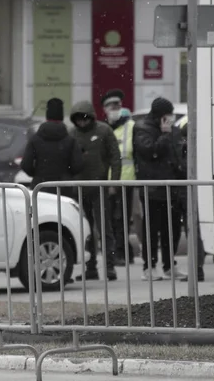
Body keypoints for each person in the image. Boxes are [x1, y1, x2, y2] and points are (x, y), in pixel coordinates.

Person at [132, 97, 187, 281]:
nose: (170, 119)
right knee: (151, 229)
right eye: (167, 115)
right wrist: (164, 134)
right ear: (158, 116)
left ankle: (169, 265)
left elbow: (179, 154)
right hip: (153, 188)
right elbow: (151, 152)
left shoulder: (174, 131)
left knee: (171, 230)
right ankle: (149, 267)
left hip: (172, 188)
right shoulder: (142, 129)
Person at [69, 100, 121, 282]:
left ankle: (109, 266)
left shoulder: (104, 130)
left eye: (85, 118)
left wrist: (113, 182)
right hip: (80, 188)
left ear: (91, 117)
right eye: (78, 119)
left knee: (104, 228)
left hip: (100, 186)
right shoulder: (72, 134)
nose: (82, 122)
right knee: (87, 230)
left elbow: (115, 157)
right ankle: (90, 267)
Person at [20, 97, 84, 198]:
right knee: (62, 213)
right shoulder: (70, 140)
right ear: (62, 116)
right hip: (63, 188)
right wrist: (67, 173)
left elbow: (25, 165)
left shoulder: (35, 139)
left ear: (47, 115)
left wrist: (37, 174)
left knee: (41, 213)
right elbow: (78, 165)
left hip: (40, 187)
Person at [101, 89, 136, 266]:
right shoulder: (103, 128)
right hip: (106, 180)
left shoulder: (130, 126)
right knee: (110, 218)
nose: (115, 109)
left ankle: (122, 253)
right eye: (111, 106)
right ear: (105, 110)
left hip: (126, 180)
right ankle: (117, 251)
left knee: (121, 218)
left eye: (118, 106)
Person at [177, 119, 206, 281]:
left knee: (193, 231)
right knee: (194, 231)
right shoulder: (195, 148)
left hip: (190, 194)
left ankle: (196, 269)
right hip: (189, 194)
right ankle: (196, 268)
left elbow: (183, 169)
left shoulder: (190, 150)